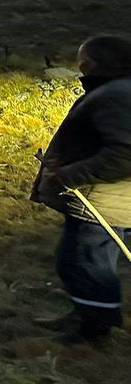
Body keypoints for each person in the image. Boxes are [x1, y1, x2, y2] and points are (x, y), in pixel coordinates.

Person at [31, 35, 131, 344]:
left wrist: (68, 175)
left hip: (104, 199)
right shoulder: (119, 89)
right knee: (84, 259)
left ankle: (94, 330)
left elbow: (125, 153)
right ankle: (88, 315)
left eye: (82, 62)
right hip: (108, 195)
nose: (80, 68)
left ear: (91, 64)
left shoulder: (115, 94)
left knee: (83, 261)